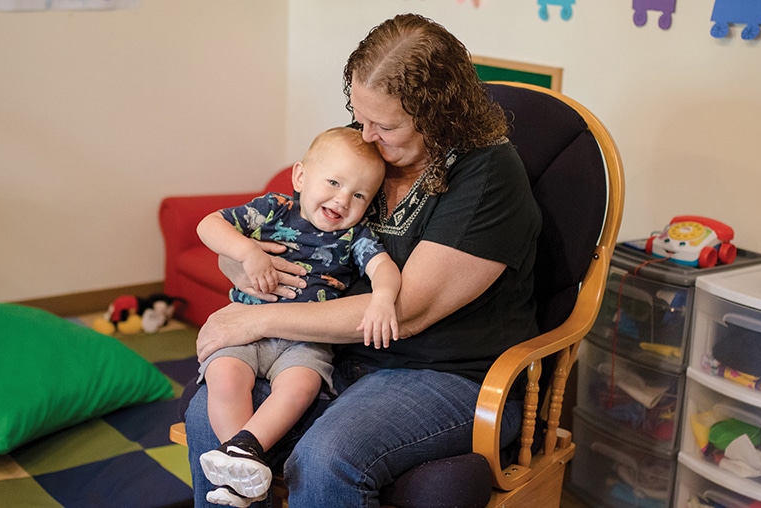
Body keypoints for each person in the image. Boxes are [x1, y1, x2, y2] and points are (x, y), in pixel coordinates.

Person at [186, 13, 542, 507]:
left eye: (386, 124)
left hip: (449, 375)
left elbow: (409, 311)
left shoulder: (487, 175)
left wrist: (256, 318)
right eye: (359, 113)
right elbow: (279, 237)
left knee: (327, 455)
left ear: (439, 116)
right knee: (209, 411)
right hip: (339, 353)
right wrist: (246, 264)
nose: (366, 134)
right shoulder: (368, 154)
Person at [194, 126, 402, 506]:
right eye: (334, 182)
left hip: (306, 341)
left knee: (301, 387)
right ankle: (235, 465)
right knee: (224, 376)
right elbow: (208, 224)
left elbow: (383, 266)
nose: (342, 199)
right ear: (301, 176)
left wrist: (384, 297)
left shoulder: (355, 236)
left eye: (358, 195)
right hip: (246, 328)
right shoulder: (275, 208)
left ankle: (246, 449)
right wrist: (248, 252)